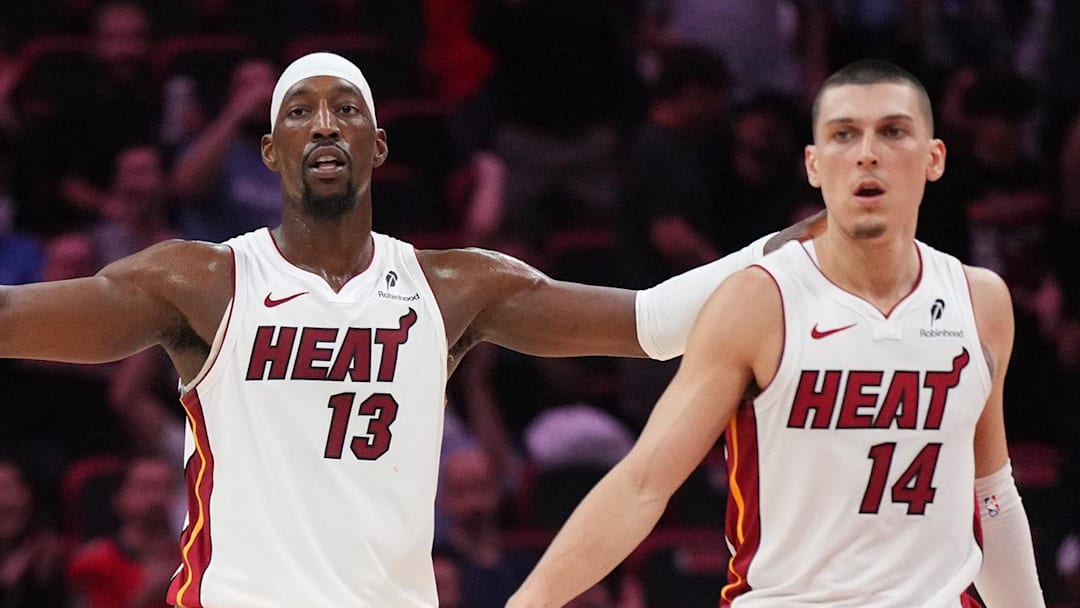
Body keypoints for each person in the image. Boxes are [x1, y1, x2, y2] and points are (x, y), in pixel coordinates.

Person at [0, 52, 820, 607]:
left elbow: (656, 320)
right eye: (301, 112)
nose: (325, 124)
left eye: (346, 109)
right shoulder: (202, 281)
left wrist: (819, 236)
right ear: (271, 151)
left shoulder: (453, 287)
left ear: (379, 145)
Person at [507, 60, 1045, 608]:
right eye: (843, 134)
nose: (867, 153)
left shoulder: (980, 301)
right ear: (813, 164)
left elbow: (992, 495)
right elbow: (643, 484)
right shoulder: (758, 302)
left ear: (934, 158)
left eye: (892, 131)